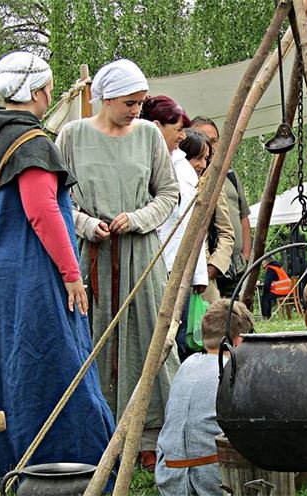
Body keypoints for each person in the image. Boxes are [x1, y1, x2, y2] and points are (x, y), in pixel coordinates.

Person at [0, 52, 115, 495]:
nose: (51, 93)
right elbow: (41, 212)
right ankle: (68, 467)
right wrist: (71, 273)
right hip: (30, 278)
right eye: (49, 87)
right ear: (38, 92)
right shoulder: (32, 143)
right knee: (50, 366)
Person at [55, 59, 181, 471]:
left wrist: (138, 218)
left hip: (139, 255)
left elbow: (168, 193)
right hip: (91, 257)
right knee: (92, 342)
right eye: (129, 102)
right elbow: (59, 201)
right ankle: (96, 433)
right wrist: (87, 223)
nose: (136, 110)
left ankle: (151, 434)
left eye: (141, 103)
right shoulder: (71, 136)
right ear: (105, 98)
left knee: (147, 340)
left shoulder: (147, 135)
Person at [155, 298, 254, 496]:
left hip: (169, 480)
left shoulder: (187, 365)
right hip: (215, 483)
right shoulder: (233, 370)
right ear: (239, 340)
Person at [141, 101, 210, 362]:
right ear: (157, 127)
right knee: (163, 340)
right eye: (178, 129)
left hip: (176, 266)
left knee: (176, 340)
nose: (182, 136)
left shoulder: (179, 166)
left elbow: (190, 227)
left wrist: (198, 273)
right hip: (157, 263)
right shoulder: (150, 160)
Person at [192, 116, 249, 299]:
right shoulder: (190, 177)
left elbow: (243, 216)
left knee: (239, 317)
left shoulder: (230, 175)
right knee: (212, 319)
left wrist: (246, 255)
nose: (211, 145)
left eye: (215, 140)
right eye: (204, 139)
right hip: (206, 266)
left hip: (235, 264)